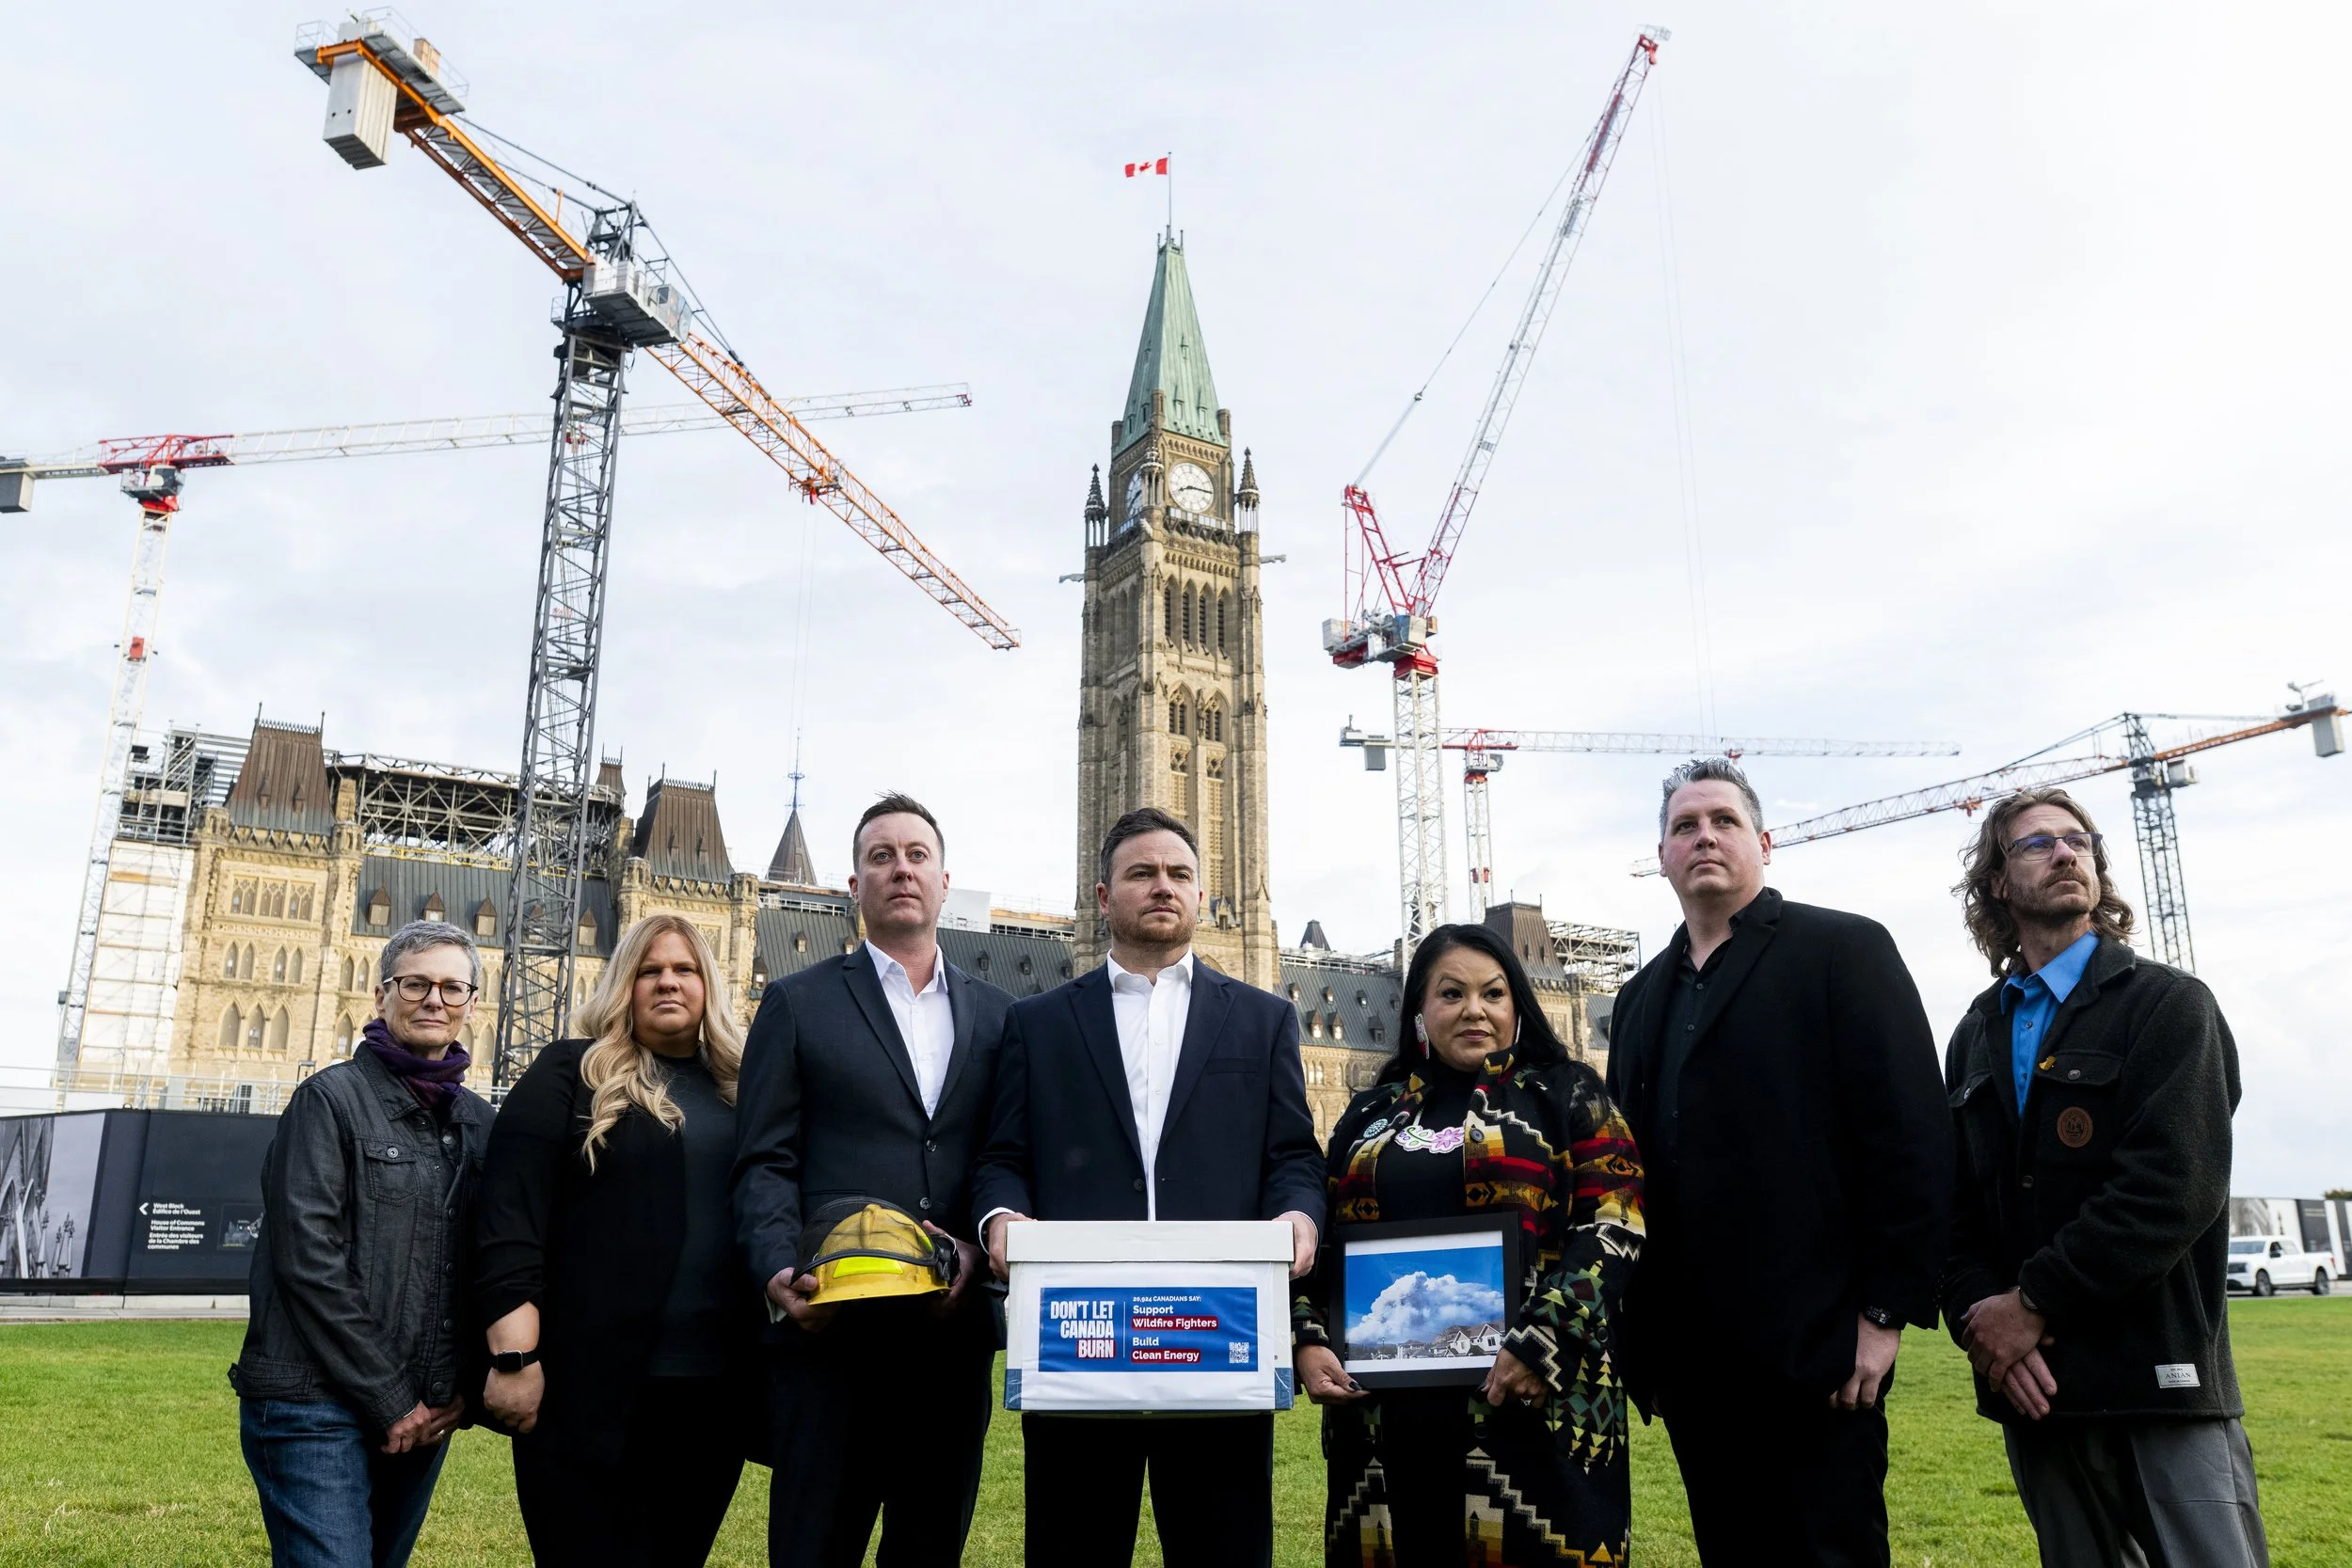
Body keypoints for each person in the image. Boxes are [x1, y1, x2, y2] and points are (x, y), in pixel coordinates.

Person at [1603, 757, 1951, 1568]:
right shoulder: (1640, 997)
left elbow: (1913, 1139)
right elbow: (1631, 1180)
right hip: (1692, 1370)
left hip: (1819, 1355)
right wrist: (1641, 1350)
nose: (1704, 837)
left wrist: (1883, 1317)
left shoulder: (1845, 949)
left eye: (1723, 821)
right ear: (1662, 857)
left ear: (1762, 841)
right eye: (1684, 827)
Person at [973, 805, 1325, 1568]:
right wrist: (1001, 1216)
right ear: (1104, 896)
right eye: (1142, 873)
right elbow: (1002, 1153)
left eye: (1179, 874)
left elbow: (1294, 1155)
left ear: (1200, 896)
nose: (1162, 887)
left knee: (1222, 1552)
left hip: (1217, 1346)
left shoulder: (1264, 1020)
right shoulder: (1036, 1023)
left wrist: (1300, 1215)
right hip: (1080, 1348)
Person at [1938, 788, 2270, 1566]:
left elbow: (2173, 1187)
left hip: (2161, 1388)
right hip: (2037, 1393)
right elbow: (1952, 1211)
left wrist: (2033, 1303)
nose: (2066, 853)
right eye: (2036, 843)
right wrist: (1989, 1336)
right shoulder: (1974, 1034)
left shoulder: (2169, 1005)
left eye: (2079, 841)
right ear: (1994, 881)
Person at [1293, 922, 1645, 1566]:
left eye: (1493, 992)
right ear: (1421, 1012)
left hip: (1533, 1413)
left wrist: (1542, 1341)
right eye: (1451, 993)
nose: (1474, 1009)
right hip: (1382, 1430)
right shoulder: (1369, 1114)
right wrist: (1308, 1335)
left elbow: (1615, 1221)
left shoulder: (1566, 1095)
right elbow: (1316, 1239)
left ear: (1517, 1008)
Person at [733, 794, 1012, 1567]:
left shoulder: (999, 1015)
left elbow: (1006, 1158)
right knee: (813, 1547)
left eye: (916, 855)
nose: (900, 869)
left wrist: (980, 1243)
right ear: (853, 885)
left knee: (929, 1549)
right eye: (880, 856)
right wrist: (776, 1269)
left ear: (944, 880)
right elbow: (764, 1160)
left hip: (949, 1347)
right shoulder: (797, 1000)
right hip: (831, 1338)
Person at [474, 913, 765, 1567]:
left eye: (684, 969)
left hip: (710, 1398)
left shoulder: (746, 1091)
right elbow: (509, 1221)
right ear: (623, 984)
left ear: (709, 985)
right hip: (586, 1395)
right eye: (649, 969)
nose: (667, 981)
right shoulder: (567, 1072)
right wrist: (513, 1359)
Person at [230, 919, 493, 1568]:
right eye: (416, 983)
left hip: (422, 1413)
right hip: (314, 1400)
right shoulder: (328, 1099)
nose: (435, 999)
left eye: (451, 987)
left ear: (471, 1004)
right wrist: (390, 1395)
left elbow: (491, 1265)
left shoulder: (481, 1122)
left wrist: (461, 1390)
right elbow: (308, 1258)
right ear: (380, 996)